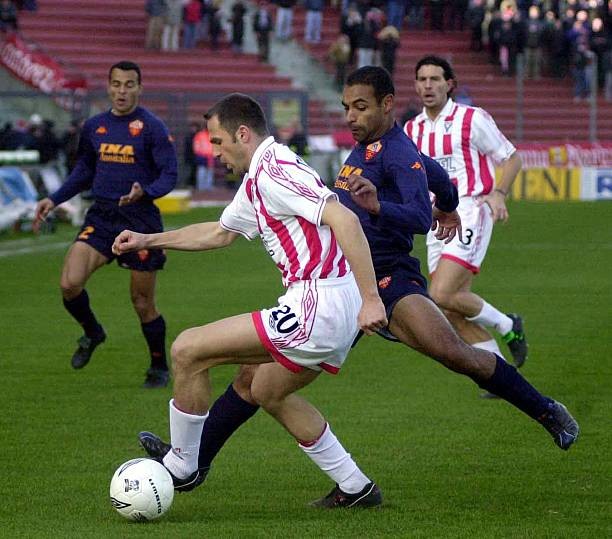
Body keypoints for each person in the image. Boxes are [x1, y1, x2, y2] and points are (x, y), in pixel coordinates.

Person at [135, 68, 579, 505]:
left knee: (454, 354)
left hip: (385, 279)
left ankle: (545, 410)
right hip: (347, 281)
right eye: (347, 107)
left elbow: (416, 216)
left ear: (387, 105)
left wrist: (386, 209)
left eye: (361, 107)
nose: (351, 116)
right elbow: (437, 180)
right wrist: (448, 206)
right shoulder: (367, 151)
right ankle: (219, 467)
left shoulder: (395, 151)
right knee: (260, 382)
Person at [113, 92, 389, 508]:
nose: (214, 150)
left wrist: (372, 298)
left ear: (243, 134)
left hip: (320, 304)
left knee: (188, 350)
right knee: (264, 388)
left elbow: (344, 218)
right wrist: (149, 239)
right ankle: (356, 487)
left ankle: (183, 466)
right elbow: (220, 232)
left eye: (218, 141)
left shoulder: (275, 170)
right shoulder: (259, 175)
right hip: (328, 305)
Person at [34, 61, 178, 389]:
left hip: (139, 221)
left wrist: (147, 192)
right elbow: (84, 169)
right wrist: (54, 199)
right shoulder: (95, 126)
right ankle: (93, 332)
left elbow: (170, 173)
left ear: (140, 88)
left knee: (142, 303)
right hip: (102, 217)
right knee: (70, 284)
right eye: (116, 84)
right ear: (109, 86)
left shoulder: (152, 127)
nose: (122, 91)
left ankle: (158, 366)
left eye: (129, 85)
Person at [404, 55, 528, 377]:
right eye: (422, 79)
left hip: (470, 210)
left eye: (435, 79)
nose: (428, 85)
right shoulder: (411, 129)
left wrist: (499, 192)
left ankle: (507, 324)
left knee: (440, 294)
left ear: (449, 84)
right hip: (436, 219)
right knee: (451, 307)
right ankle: (498, 375)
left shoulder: (471, 119)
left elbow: (511, 159)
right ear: (416, 85)